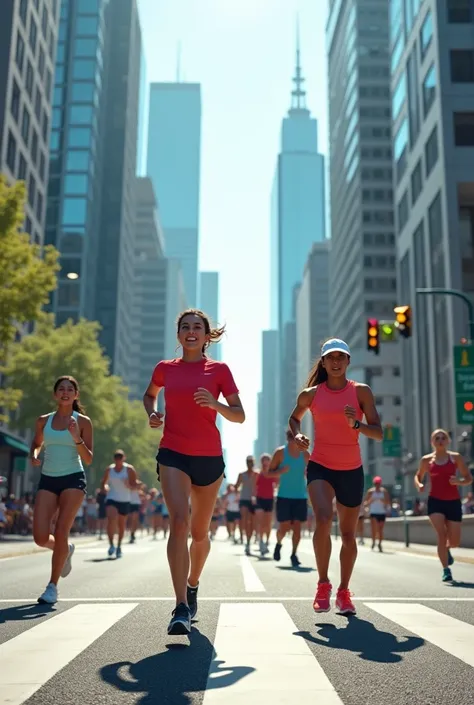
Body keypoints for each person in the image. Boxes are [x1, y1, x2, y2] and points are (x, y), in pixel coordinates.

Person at [143, 308, 245, 635]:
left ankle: (192, 584)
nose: (191, 331)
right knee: (179, 521)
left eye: (196, 327)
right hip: (173, 452)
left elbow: (239, 415)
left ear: (205, 335)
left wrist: (215, 405)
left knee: (200, 534)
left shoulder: (219, 370)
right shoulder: (164, 369)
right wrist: (153, 412)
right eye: (185, 327)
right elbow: (149, 395)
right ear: (178, 334)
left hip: (209, 458)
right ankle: (180, 607)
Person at [288, 338, 383, 615]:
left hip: (351, 469)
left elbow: (378, 432)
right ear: (324, 362)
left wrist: (357, 424)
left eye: (341, 357)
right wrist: (299, 435)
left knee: (349, 534)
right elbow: (294, 419)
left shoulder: (361, 392)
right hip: (321, 465)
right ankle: (323, 584)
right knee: (323, 518)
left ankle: (343, 591)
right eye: (331, 357)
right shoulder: (311, 394)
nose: (336, 362)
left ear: (348, 361)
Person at [30, 376, 93, 604]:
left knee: (61, 531)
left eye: (70, 389)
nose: (65, 392)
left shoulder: (83, 422)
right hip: (48, 478)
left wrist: (76, 438)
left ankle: (52, 586)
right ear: (55, 394)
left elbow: (88, 458)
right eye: (61, 389)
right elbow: (37, 444)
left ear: (76, 395)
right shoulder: (43, 421)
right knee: (39, 537)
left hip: (73, 479)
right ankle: (65, 549)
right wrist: (35, 456)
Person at [415, 428, 472, 582]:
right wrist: (420, 484)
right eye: (436, 438)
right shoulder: (426, 460)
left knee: (454, 541)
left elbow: (468, 478)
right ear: (432, 442)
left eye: (443, 437)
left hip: (453, 501)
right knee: (441, 535)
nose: (440, 440)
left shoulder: (456, 458)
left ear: (448, 441)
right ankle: (446, 569)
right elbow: (418, 476)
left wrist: (459, 481)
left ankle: (447, 550)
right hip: (435, 501)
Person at [265, 431, 309, 567]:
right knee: (283, 528)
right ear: (289, 438)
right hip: (284, 496)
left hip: (300, 496)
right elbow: (268, 473)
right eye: (292, 438)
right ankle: (278, 544)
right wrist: (280, 472)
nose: (295, 441)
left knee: (297, 528)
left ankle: (294, 554)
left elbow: (313, 472)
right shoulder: (280, 453)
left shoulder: (306, 455)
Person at [100, 450, 138, 558]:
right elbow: (103, 483)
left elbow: (135, 485)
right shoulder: (109, 469)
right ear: (114, 458)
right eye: (116, 457)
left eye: (120, 457)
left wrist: (128, 485)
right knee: (111, 518)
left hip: (125, 499)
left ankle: (119, 546)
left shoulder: (129, 469)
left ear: (124, 458)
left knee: (121, 525)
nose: (118, 459)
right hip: (112, 498)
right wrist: (105, 488)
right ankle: (111, 544)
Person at [255, 453, 277, 555]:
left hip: (270, 499)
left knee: (268, 523)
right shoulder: (258, 474)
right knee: (260, 522)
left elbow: (277, 484)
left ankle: (267, 540)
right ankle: (261, 541)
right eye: (264, 460)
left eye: (267, 459)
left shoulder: (273, 474)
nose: (265, 461)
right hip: (259, 499)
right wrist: (253, 497)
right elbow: (254, 486)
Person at [236, 456, 257, 555]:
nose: (250, 463)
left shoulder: (257, 474)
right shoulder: (241, 474)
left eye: (251, 462)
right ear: (246, 463)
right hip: (244, 499)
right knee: (244, 519)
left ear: (254, 463)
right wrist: (235, 492)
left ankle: (248, 542)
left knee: (252, 522)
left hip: (253, 501)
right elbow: (237, 486)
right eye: (248, 462)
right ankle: (242, 536)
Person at [364, 476, 391, 552]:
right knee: (374, 529)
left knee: (380, 529)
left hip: (382, 512)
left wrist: (383, 501)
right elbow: (365, 503)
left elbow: (388, 503)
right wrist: (370, 501)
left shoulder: (384, 492)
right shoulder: (370, 492)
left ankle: (379, 543)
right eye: (376, 483)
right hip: (373, 512)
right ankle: (373, 542)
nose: (377, 485)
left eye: (378, 483)